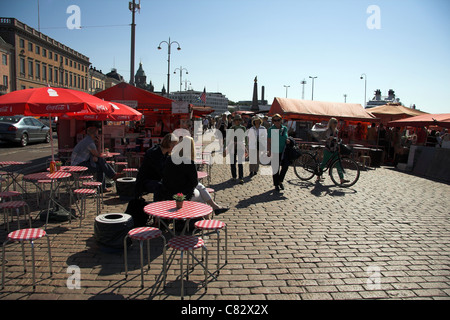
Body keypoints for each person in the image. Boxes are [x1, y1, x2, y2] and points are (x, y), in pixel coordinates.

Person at [161, 136, 227, 212]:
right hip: (182, 194)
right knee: (201, 197)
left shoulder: (169, 159)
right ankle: (208, 215)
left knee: (200, 188)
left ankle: (214, 208)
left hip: (168, 192)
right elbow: (194, 182)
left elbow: (165, 176)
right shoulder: (189, 162)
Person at [71, 126, 123, 191]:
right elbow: (98, 154)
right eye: (98, 133)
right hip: (78, 166)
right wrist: (99, 143)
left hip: (81, 162)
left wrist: (96, 156)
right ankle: (111, 177)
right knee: (100, 167)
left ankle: (111, 177)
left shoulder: (87, 140)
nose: (98, 134)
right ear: (94, 134)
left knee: (100, 163)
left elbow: (96, 155)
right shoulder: (89, 142)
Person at [134, 133, 179, 199]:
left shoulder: (165, 153)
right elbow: (161, 171)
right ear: (170, 144)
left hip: (156, 179)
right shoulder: (154, 153)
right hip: (145, 181)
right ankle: (159, 205)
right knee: (163, 186)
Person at [317, 118, 349, 184]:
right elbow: (327, 137)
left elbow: (336, 138)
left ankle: (342, 179)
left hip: (334, 149)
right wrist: (330, 138)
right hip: (328, 149)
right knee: (324, 163)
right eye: (334, 122)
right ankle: (318, 175)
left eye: (336, 122)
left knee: (338, 164)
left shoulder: (336, 131)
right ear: (331, 123)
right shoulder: (328, 130)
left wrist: (339, 140)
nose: (336, 124)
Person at [267, 113, 290, 191]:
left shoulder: (284, 128)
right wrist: (269, 150)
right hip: (275, 151)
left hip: (284, 151)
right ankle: (276, 184)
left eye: (278, 120)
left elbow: (287, 136)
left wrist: (288, 140)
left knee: (285, 166)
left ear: (281, 120)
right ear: (273, 121)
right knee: (275, 169)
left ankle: (280, 180)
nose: (277, 121)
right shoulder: (271, 129)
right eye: (275, 120)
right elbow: (269, 141)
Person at [226, 114, 247, 184]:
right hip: (232, 146)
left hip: (240, 146)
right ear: (234, 121)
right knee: (233, 162)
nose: (237, 121)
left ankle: (241, 177)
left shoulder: (243, 128)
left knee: (240, 163)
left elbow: (246, 138)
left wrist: (246, 146)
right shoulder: (232, 128)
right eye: (236, 120)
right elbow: (227, 138)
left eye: (239, 120)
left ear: (240, 121)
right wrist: (224, 147)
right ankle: (234, 176)